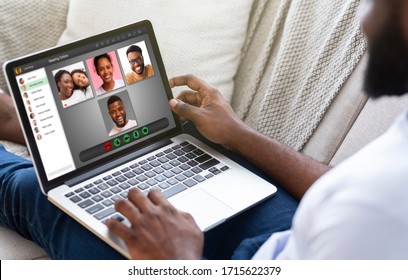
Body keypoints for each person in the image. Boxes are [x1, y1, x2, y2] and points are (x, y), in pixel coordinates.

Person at [0, 0, 407, 260]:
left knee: (39, 196)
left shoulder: (371, 218)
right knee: (186, 153)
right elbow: (348, 187)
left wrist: (177, 261)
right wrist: (237, 134)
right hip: (284, 234)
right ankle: (38, 130)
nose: (362, 17)